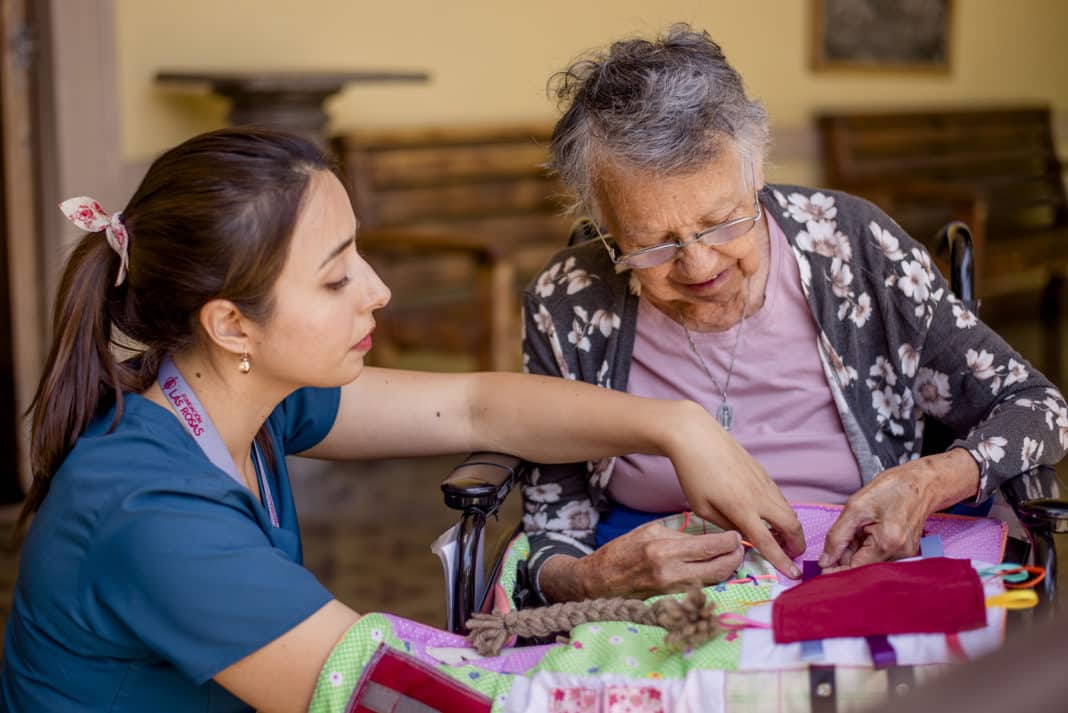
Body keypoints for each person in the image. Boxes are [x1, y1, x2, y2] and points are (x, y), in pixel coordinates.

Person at [0, 128, 806, 712]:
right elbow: (390, 695)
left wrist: (680, 425)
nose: (378, 289)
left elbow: (475, 405)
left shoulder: (240, 397)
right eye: (335, 277)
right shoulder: (152, 511)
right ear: (231, 324)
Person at [520, 24, 1067, 604]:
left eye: (723, 220)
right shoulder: (569, 299)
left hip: (858, 566)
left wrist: (927, 480)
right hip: (657, 597)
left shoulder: (854, 247)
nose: (699, 263)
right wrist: (593, 580)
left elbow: (1040, 408)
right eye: (652, 243)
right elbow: (551, 529)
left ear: (756, 174)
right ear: (606, 224)